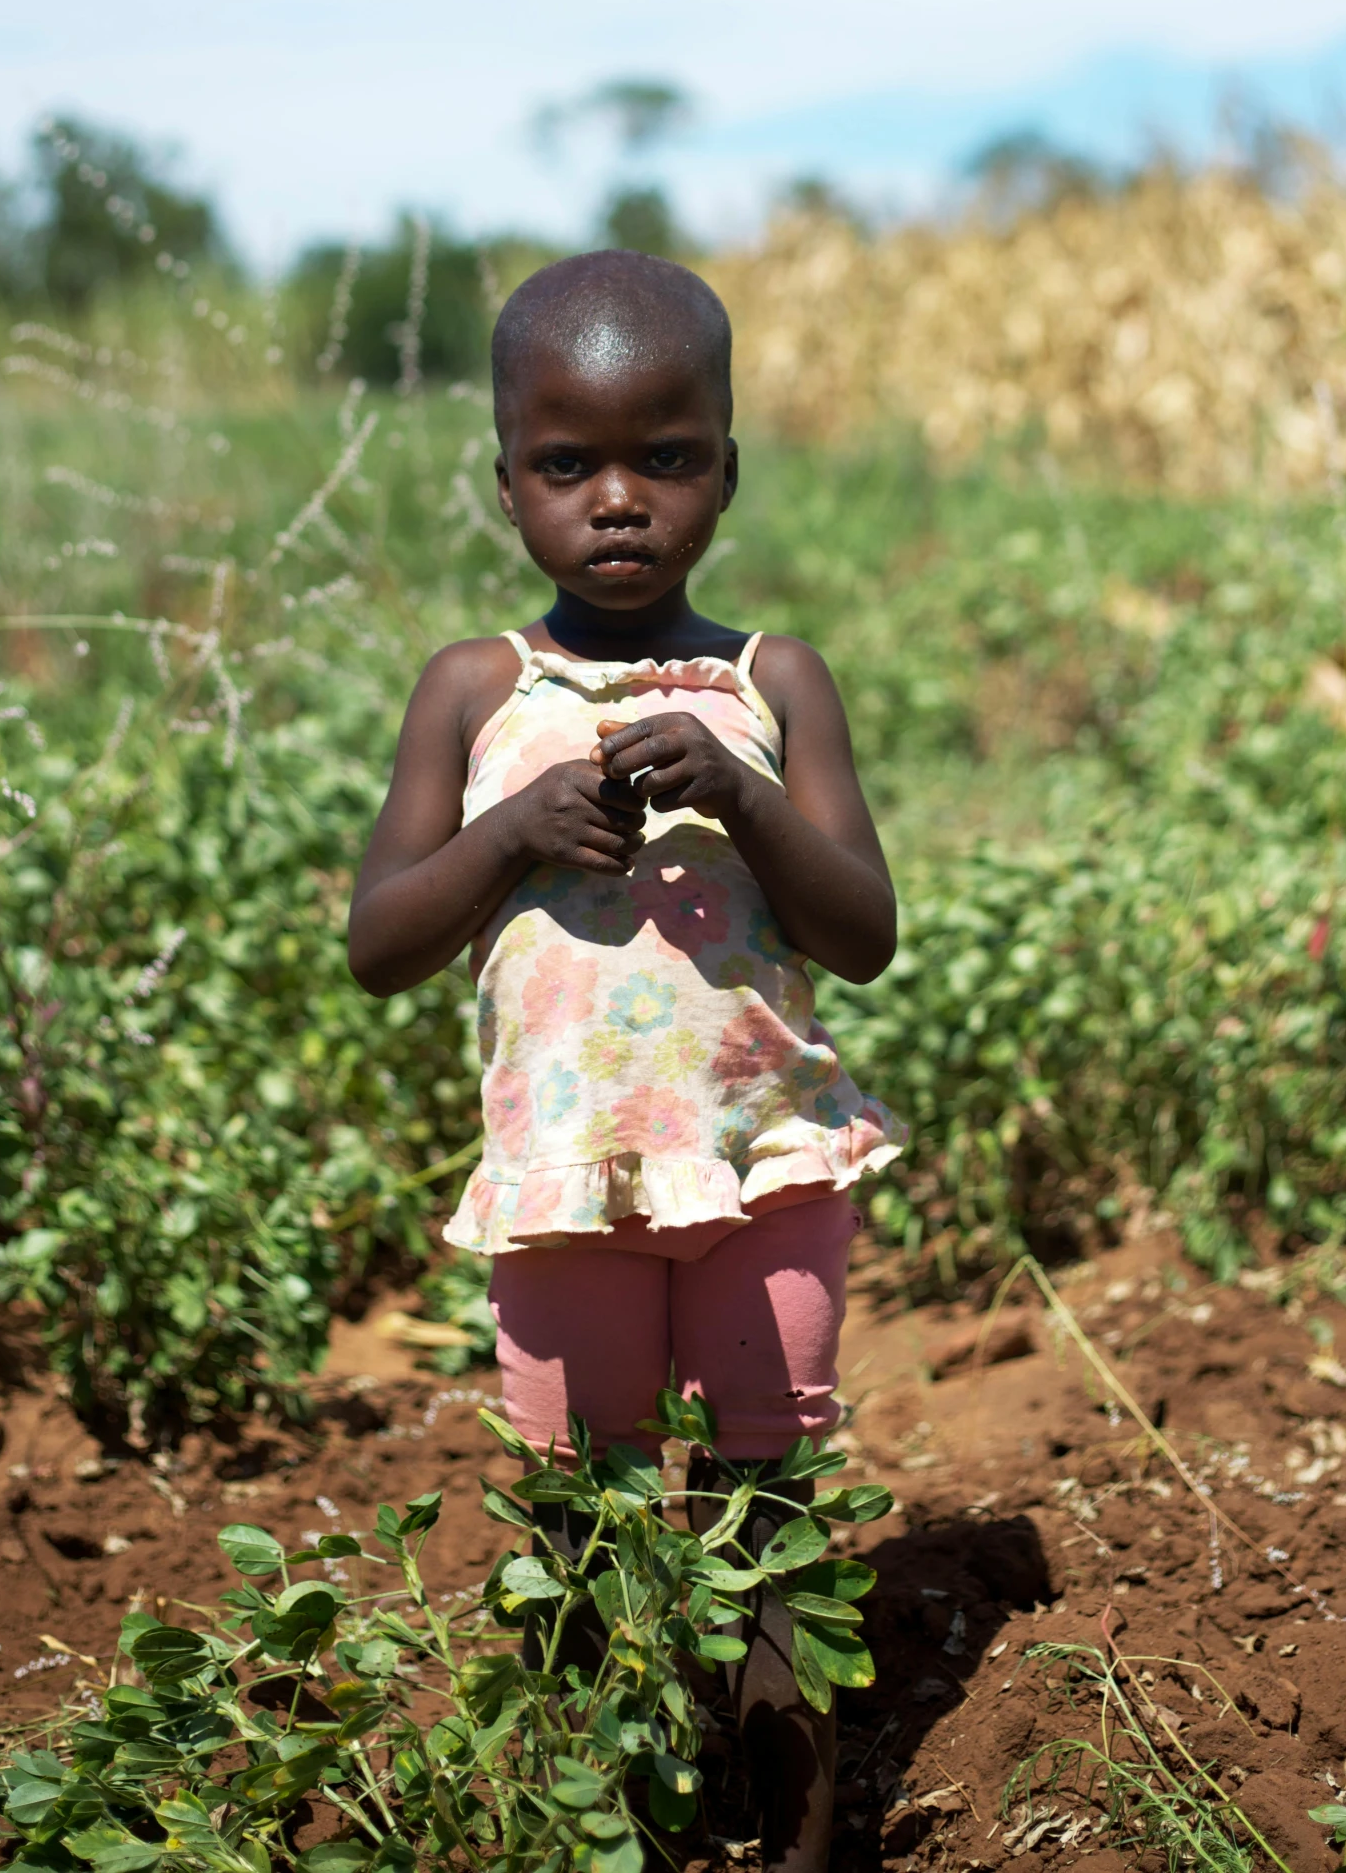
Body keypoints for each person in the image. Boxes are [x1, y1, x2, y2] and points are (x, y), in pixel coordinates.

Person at [347, 248, 903, 1873]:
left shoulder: (771, 684)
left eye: (664, 457)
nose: (615, 500)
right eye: (565, 461)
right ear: (503, 477)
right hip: (565, 1188)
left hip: (759, 1174)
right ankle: (616, 1837)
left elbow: (860, 930)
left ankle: (796, 1842)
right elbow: (382, 942)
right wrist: (512, 830)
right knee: (582, 1529)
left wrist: (739, 790)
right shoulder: (473, 691)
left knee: (767, 1521)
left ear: (726, 470)